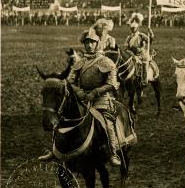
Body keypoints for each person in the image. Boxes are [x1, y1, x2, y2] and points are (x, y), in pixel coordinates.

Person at [39, 29, 121, 166]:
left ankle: (113, 153)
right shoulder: (80, 62)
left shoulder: (107, 62)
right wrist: (80, 93)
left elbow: (112, 83)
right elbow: (70, 81)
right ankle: (55, 150)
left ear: (97, 44)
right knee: (60, 118)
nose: (89, 45)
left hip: (101, 100)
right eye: (87, 42)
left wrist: (95, 93)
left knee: (107, 122)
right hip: (81, 98)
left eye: (92, 42)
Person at [124, 13, 154, 86]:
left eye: (134, 28)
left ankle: (144, 81)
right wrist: (131, 54)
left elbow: (150, 41)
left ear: (137, 28)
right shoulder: (129, 37)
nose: (133, 29)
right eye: (132, 28)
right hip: (133, 55)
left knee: (144, 64)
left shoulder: (141, 35)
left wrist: (151, 33)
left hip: (142, 54)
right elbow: (125, 48)